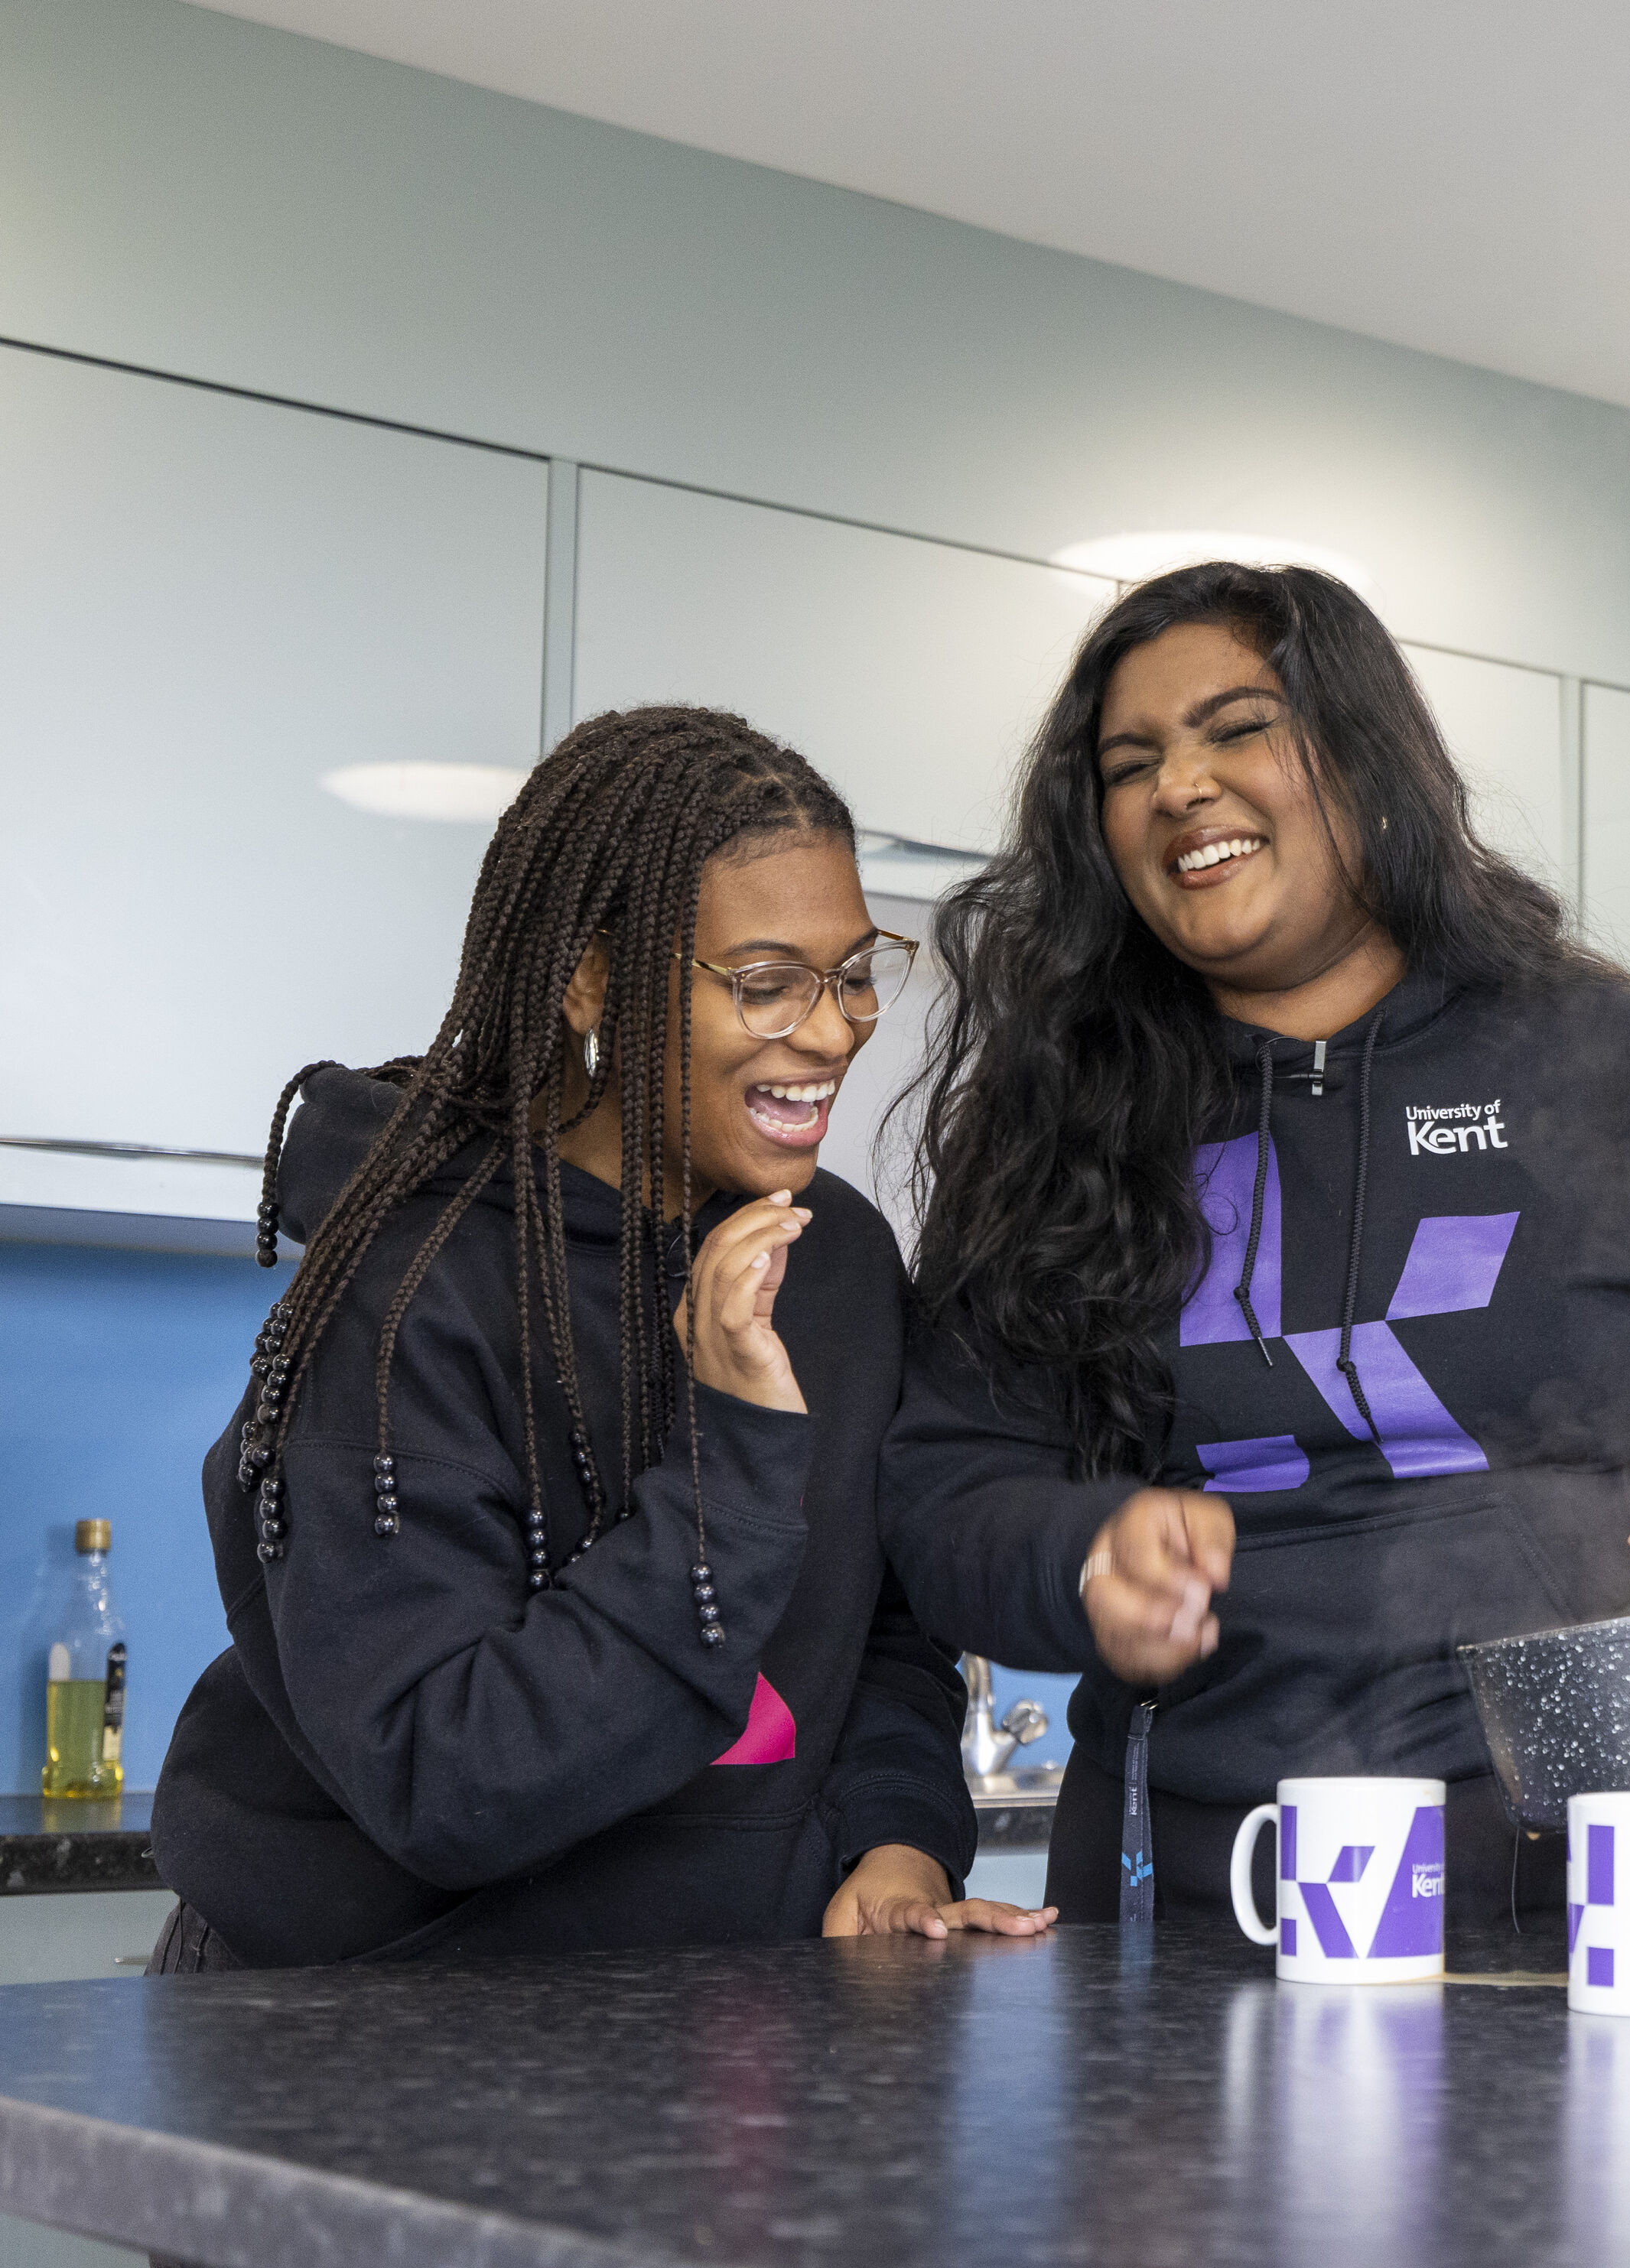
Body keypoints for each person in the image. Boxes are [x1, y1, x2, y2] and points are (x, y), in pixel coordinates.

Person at [880, 561, 1630, 1951]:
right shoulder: (1059, 1126)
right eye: (1130, 764)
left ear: (1365, 757)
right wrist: (1081, 1554)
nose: (1178, 783)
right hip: (1198, 1914)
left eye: (1238, 726)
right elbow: (943, 1493)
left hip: (1619, 1909)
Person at [153, 706, 1048, 1985]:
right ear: (587, 975)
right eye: (766, 981)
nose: (839, 1027)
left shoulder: (833, 1258)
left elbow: (881, 1633)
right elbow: (443, 1777)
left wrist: (898, 1840)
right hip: (354, 2018)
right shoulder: (409, 1288)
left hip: (704, 2014)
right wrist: (732, 1452)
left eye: (854, 972)